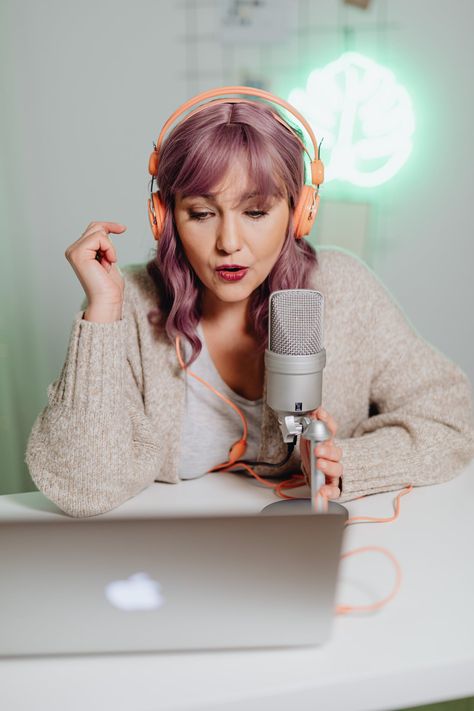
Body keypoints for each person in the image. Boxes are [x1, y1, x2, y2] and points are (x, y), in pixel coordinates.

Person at [25, 91, 474, 518]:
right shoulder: (129, 304)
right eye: (202, 214)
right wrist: (102, 312)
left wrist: (350, 462)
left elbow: (453, 416)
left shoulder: (343, 289)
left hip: (313, 547)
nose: (229, 244)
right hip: (177, 558)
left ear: (299, 213)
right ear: (164, 218)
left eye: (256, 212)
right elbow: (81, 487)